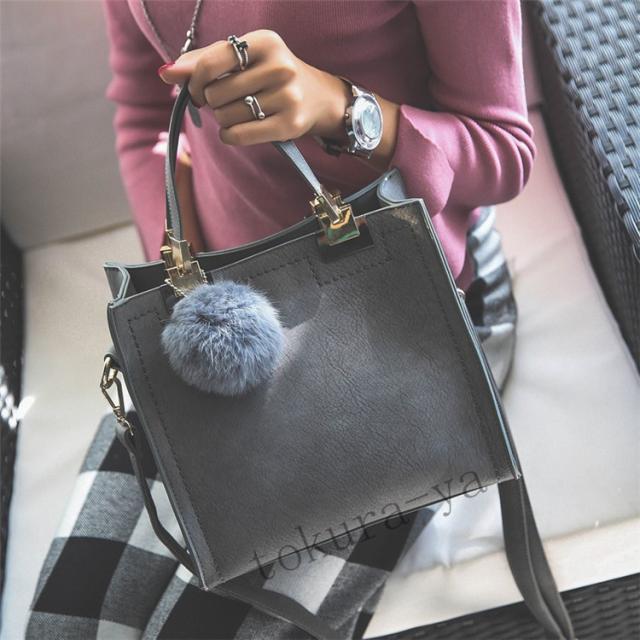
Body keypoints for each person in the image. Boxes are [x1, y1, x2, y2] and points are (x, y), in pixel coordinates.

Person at [26, 1, 532, 638]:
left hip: (402, 309)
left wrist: (342, 109)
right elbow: (144, 113)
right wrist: (182, 287)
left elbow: (504, 149)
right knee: (71, 617)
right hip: (222, 325)